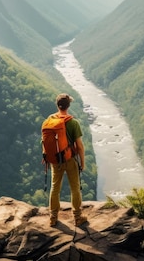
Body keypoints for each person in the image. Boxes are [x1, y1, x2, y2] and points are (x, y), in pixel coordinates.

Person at [44, 93, 88, 227]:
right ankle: (77, 217)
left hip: (55, 161)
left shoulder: (49, 120)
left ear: (57, 105)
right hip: (70, 160)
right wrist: (82, 162)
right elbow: (79, 146)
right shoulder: (73, 123)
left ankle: (53, 217)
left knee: (54, 188)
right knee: (75, 188)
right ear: (68, 106)